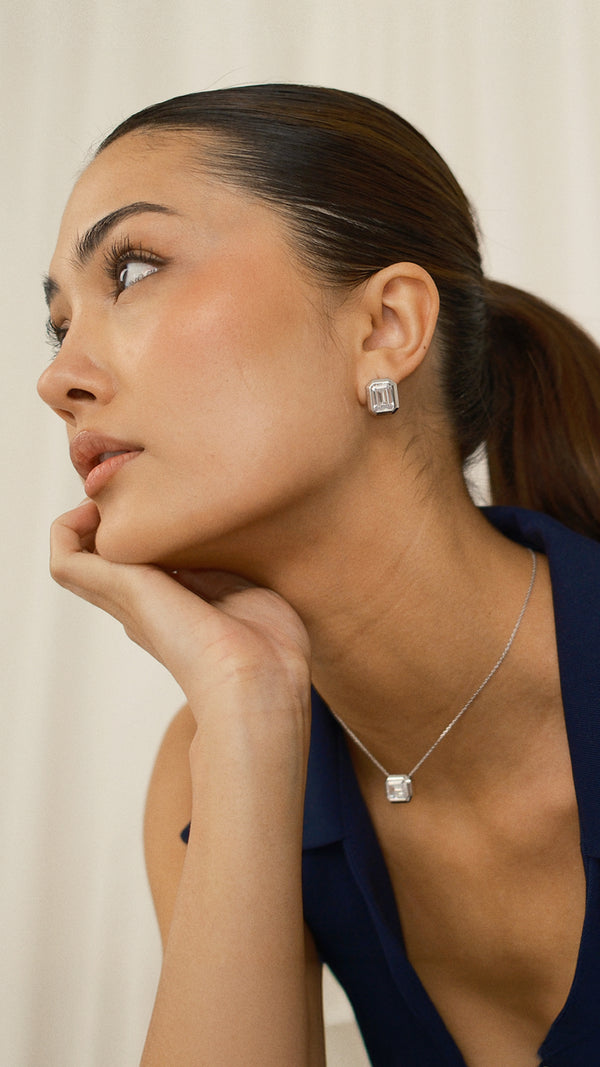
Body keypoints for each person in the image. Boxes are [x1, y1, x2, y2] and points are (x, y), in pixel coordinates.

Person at [37, 84, 600, 1067]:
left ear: (385, 327)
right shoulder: (209, 762)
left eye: (130, 269)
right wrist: (248, 709)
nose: (57, 379)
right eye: (58, 324)